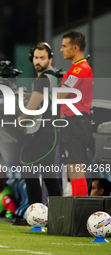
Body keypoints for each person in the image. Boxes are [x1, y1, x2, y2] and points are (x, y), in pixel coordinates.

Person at [17, 42, 62, 205]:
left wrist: (20, 119)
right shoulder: (52, 76)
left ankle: (34, 211)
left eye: (42, 58)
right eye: (36, 57)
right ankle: (60, 215)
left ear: (49, 60)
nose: (38, 61)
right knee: (49, 175)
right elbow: (46, 100)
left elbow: (31, 110)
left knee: (29, 171)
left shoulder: (43, 79)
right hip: (51, 132)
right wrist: (30, 96)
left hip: (40, 133)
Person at [58, 31, 93, 196]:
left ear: (76, 48)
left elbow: (60, 94)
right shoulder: (75, 69)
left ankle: (82, 212)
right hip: (73, 123)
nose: (61, 50)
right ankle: (79, 210)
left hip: (75, 124)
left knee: (76, 169)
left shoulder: (79, 69)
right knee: (73, 169)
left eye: (64, 46)